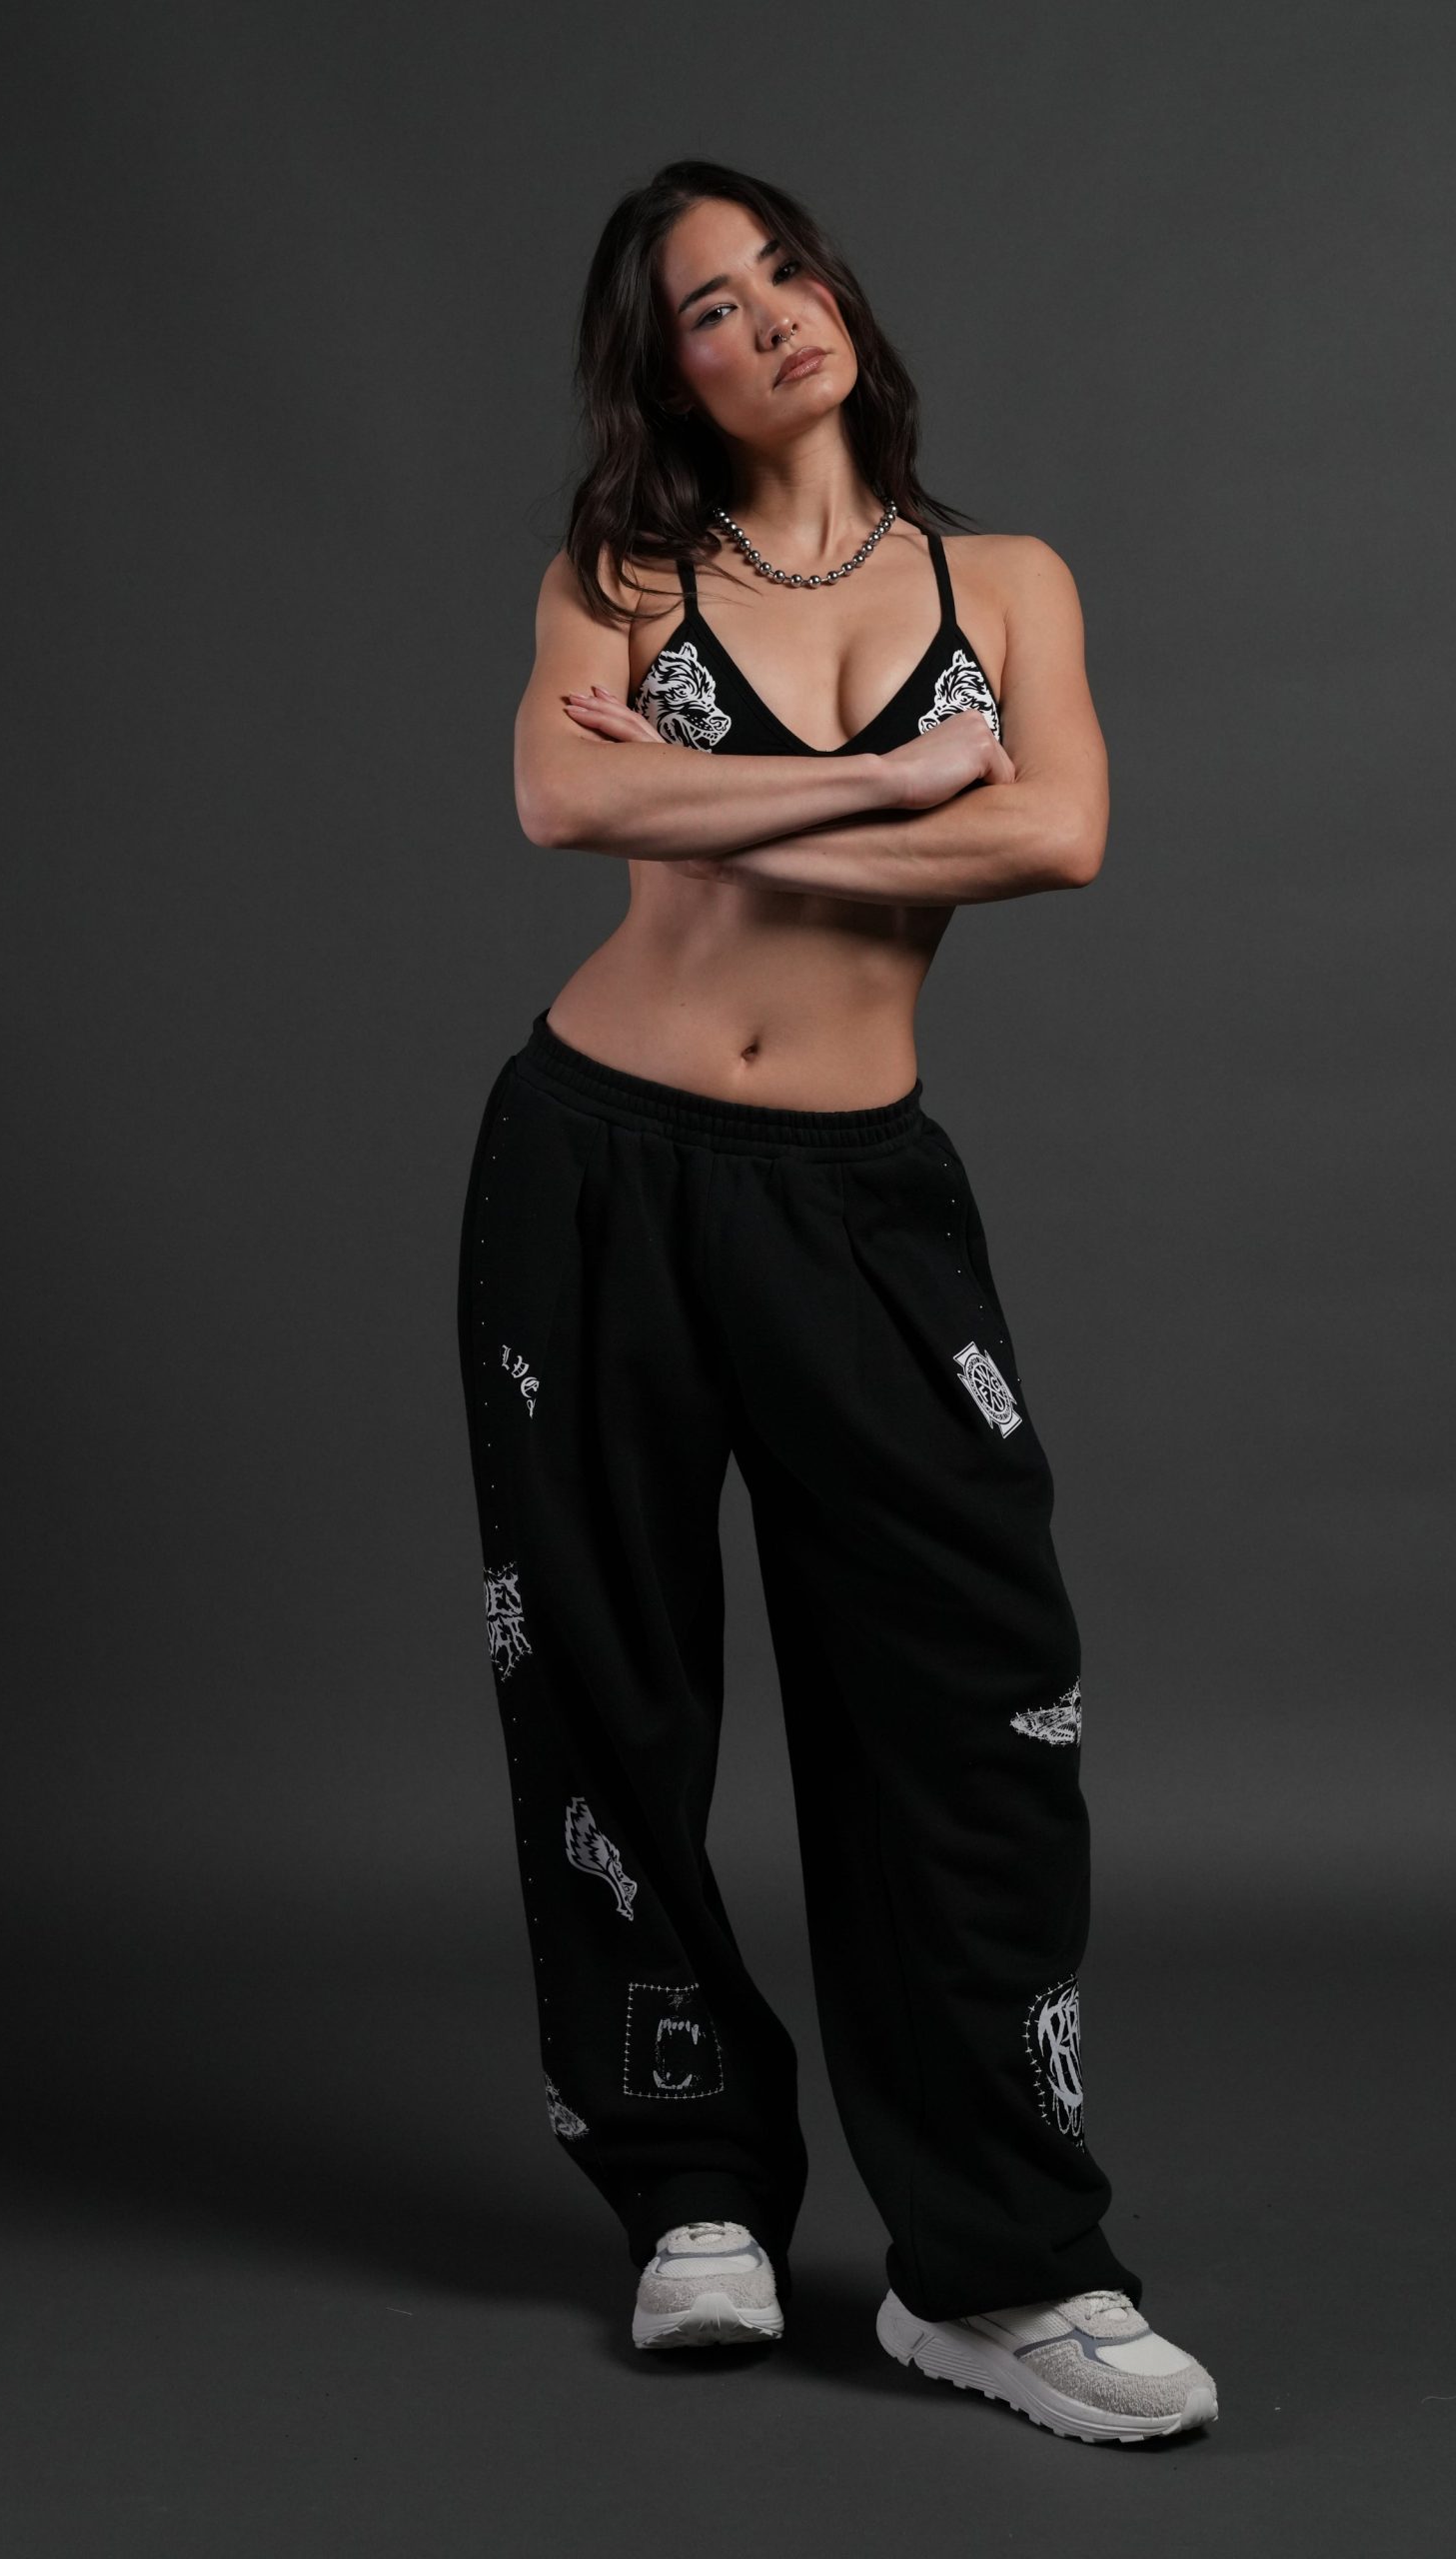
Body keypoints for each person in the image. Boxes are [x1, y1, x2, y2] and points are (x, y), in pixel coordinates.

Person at [458, 158, 1217, 2445]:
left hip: (858, 1199)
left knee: (970, 1705)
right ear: (664, 369)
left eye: (782, 270)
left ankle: (996, 2263)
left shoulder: (1006, 580)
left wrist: (702, 802)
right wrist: (900, 775)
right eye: (707, 305)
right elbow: (550, 801)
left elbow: (1058, 832)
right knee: (606, 1680)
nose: (766, 314)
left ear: (841, 300)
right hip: (594, 1163)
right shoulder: (620, 571)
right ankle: (687, 2179)